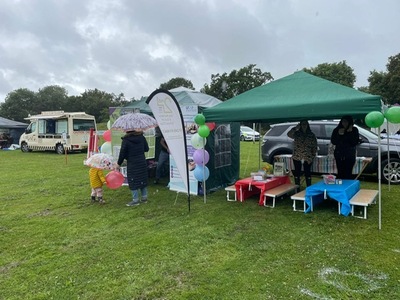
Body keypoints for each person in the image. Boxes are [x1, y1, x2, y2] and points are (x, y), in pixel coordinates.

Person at [117, 129, 149, 207]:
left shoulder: (126, 140)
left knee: (133, 180)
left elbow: (122, 153)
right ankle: (144, 198)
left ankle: (135, 200)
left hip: (132, 163)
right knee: (142, 178)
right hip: (142, 161)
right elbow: (146, 149)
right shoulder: (142, 137)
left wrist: (118, 163)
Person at [287, 120, 318, 187]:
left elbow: (315, 146)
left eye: (305, 124)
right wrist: (295, 128)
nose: (304, 126)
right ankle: (297, 188)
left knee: (307, 173)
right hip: (297, 156)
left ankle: (309, 187)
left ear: (308, 125)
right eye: (302, 124)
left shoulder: (311, 134)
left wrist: (312, 156)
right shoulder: (297, 133)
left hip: (308, 157)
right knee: (297, 172)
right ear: (300, 125)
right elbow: (289, 134)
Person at [330, 115, 359, 179]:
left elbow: (354, 143)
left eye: (346, 122)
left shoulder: (354, 130)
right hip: (339, 154)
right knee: (340, 172)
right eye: (343, 122)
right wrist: (339, 135)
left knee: (348, 172)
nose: (344, 124)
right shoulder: (336, 130)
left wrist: (350, 133)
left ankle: (347, 185)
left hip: (349, 155)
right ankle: (340, 186)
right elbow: (333, 141)